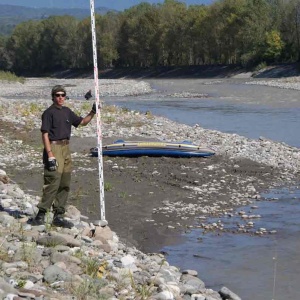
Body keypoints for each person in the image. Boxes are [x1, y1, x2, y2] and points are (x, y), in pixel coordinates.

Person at [32, 85, 97, 228]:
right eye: (57, 95)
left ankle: (58, 215)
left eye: (63, 95)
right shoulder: (49, 113)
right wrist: (49, 154)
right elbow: (45, 134)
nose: (60, 98)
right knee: (52, 181)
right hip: (53, 148)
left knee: (65, 183)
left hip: (66, 148)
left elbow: (82, 123)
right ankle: (41, 215)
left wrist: (93, 111)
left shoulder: (67, 112)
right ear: (53, 97)